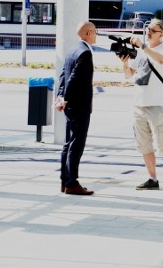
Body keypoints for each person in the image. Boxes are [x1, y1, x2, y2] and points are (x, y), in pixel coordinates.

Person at [120, 18, 163, 193]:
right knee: (144, 144)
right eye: (148, 29)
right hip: (139, 103)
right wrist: (124, 63)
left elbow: (161, 61)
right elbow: (129, 74)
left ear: (161, 34)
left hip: (157, 104)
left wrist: (143, 47)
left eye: (153, 30)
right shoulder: (139, 52)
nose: (148, 32)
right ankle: (152, 178)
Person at [55, 21, 98, 195]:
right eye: (95, 32)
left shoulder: (73, 50)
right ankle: (72, 182)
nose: (96, 34)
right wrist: (64, 98)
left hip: (70, 105)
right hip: (78, 105)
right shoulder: (85, 53)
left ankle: (65, 181)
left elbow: (63, 75)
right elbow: (72, 78)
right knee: (76, 144)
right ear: (88, 33)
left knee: (68, 143)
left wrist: (60, 97)